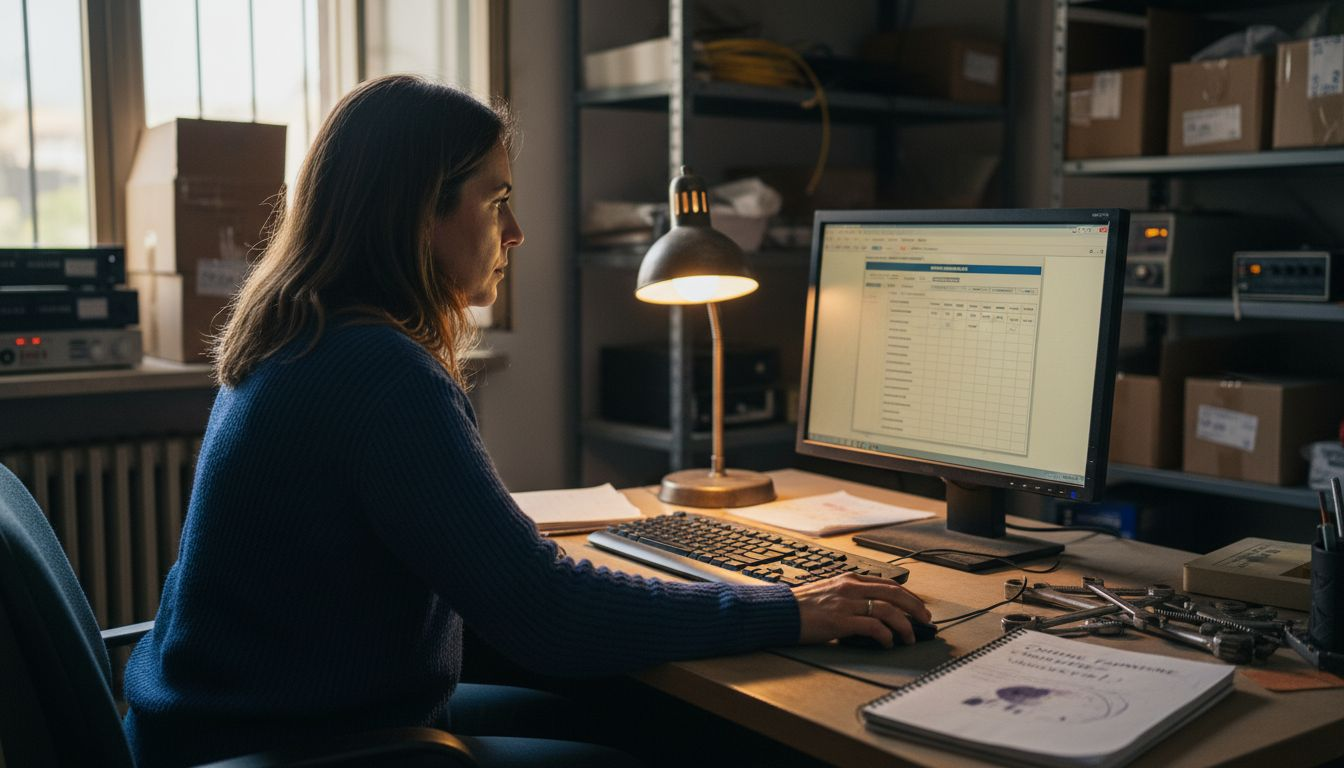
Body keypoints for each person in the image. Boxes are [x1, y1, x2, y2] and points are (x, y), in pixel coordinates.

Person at [121, 74, 931, 768]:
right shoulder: (377, 372)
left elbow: (509, 590)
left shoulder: (300, 335)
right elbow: (549, 617)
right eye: (496, 200)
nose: (515, 233)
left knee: (637, 715)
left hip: (225, 725)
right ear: (416, 214)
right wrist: (791, 607)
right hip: (298, 743)